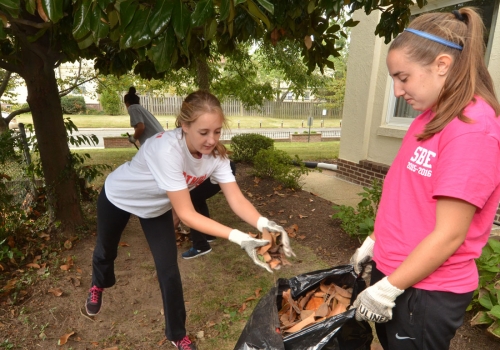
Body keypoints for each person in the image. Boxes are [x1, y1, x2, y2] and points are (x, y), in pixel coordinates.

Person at [85, 90, 295, 350]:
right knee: (106, 250)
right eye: (204, 132)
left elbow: (237, 200)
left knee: (169, 271)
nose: (211, 140)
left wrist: (264, 224)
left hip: (156, 208)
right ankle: (98, 283)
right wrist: (240, 237)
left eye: (217, 131)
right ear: (184, 126)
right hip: (118, 196)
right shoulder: (166, 149)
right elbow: (186, 214)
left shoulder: (216, 156)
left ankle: (177, 334)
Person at [350, 7, 500, 350]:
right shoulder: (431, 115)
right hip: (399, 274)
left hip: (427, 290)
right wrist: (375, 241)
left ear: (442, 65)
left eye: (403, 77)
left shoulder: (471, 131)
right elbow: (405, 193)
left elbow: (450, 235)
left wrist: (389, 288)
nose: (397, 91)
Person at [176, 160, 237, 259]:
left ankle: (201, 246)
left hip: (219, 169)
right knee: (196, 198)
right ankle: (207, 234)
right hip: (218, 167)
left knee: (190, 200)